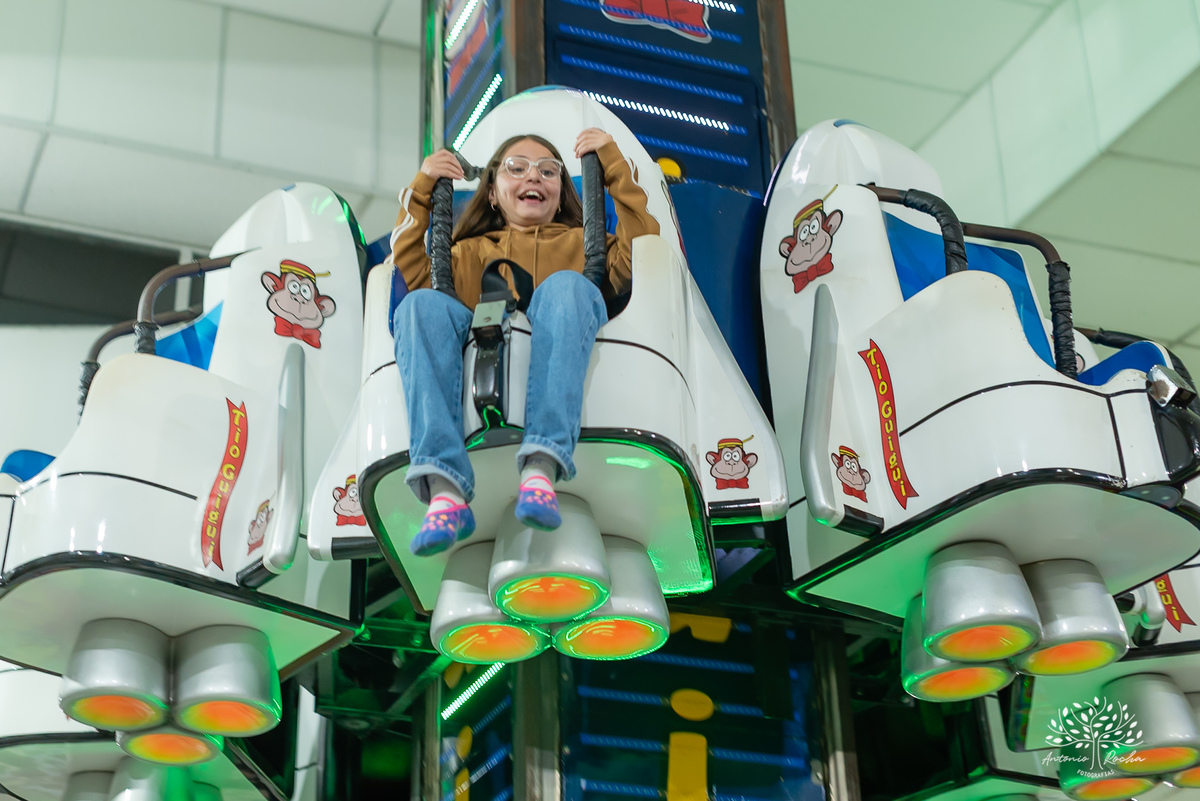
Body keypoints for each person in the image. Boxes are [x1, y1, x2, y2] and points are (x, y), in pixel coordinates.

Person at [390, 128, 660, 556]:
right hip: (482, 362)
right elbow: (408, 264)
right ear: (493, 193)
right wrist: (424, 187)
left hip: (562, 342)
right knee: (420, 305)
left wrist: (611, 164)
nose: (533, 177)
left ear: (561, 192)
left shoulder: (586, 248)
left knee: (567, 287)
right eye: (517, 168)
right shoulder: (465, 254)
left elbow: (645, 247)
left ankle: (541, 464)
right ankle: (444, 487)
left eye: (548, 171)